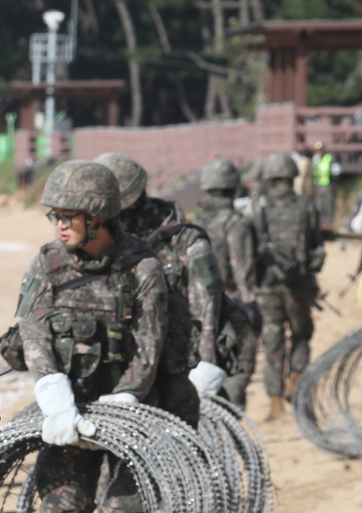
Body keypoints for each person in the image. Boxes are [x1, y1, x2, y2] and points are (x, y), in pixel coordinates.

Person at [16, 160, 167, 513]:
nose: (59, 225)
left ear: (99, 218)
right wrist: (55, 393)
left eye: (69, 215)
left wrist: (121, 403)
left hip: (123, 416)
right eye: (54, 215)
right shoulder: (47, 264)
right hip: (67, 417)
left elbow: (148, 350)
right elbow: (33, 329)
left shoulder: (141, 269)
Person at [96, 152, 224, 426]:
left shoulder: (186, 241)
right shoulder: (104, 242)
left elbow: (209, 307)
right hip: (119, 367)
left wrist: (206, 365)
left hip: (176, 368)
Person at [253, 152, 326, 421]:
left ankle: (274, 404)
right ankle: (295, 381)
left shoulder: (258, 210)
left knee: (272, 342)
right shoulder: (307, 206)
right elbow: (317, 246)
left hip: (267, 289)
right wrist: (311, 268)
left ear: (270, 179)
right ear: (292, 177)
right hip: (299, 285)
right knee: (301, 335)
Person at [193, 157, 261, 408]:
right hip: (231, 307)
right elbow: (241, 267)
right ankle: (229, 422)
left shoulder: (193, 222)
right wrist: (252, 306)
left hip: (196, 308)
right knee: (240, 368)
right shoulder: (235, 222)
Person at [311, 141, 339, 224]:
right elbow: (312, 172)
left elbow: (336, 171)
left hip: (328, 186)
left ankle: (329, 224)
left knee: (328, 206)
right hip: (318, 187)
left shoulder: (330, 157)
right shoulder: (315, 159)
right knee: (319, 206)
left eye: (320, 150)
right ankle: (320, 224)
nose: (319, 152)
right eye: (317, 150)